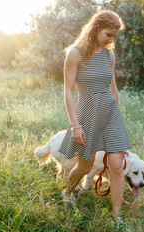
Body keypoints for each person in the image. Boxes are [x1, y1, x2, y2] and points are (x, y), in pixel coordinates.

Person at [58, 10, 132, 218]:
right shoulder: (75, 54)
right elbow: (68, 91)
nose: (111, 40)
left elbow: (113, 89)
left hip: (111, 114)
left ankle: (117, 218)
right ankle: (68, 192)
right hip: (87, 114)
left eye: (114, 36)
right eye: (109, 34)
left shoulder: (110, 55)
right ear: (96, 28)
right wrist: (75, 125)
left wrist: (119, 127)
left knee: (116, 166)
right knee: (85, 166)